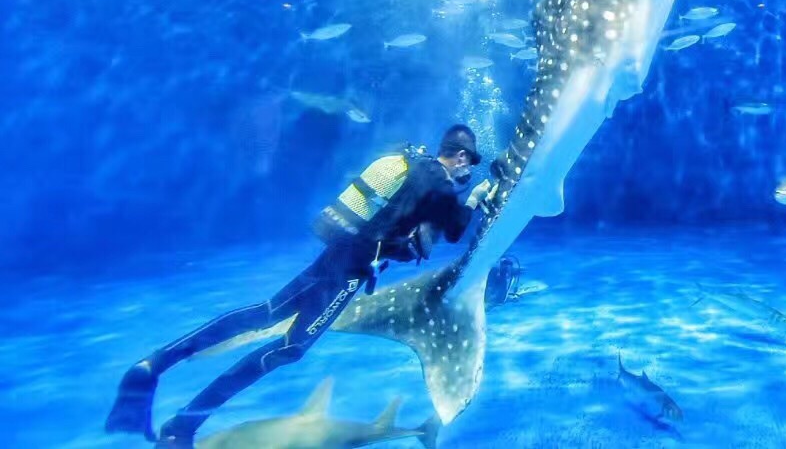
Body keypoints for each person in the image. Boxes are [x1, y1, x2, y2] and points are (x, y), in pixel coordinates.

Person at [105, 124, 494, 446]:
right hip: (354, 268)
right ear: (460, 157)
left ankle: (152, 365)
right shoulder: (442, 187)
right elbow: (457, 231)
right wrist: (475, 196)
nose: (468, 171)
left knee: (266, 313)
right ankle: (183, 425)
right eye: (469, 164)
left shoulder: (413, 163)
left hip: (338, 250)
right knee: (291, 349)